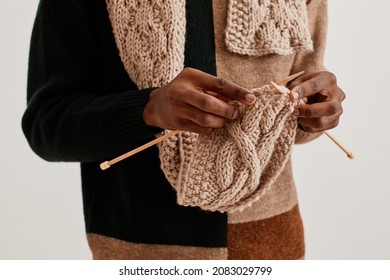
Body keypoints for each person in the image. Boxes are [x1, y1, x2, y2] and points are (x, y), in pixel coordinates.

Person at [22, 0, 345, 259]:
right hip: (141, 251)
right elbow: (46, 126)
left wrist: (316, 112)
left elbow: (299, 109)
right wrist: (147, 109)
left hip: (273, 240)